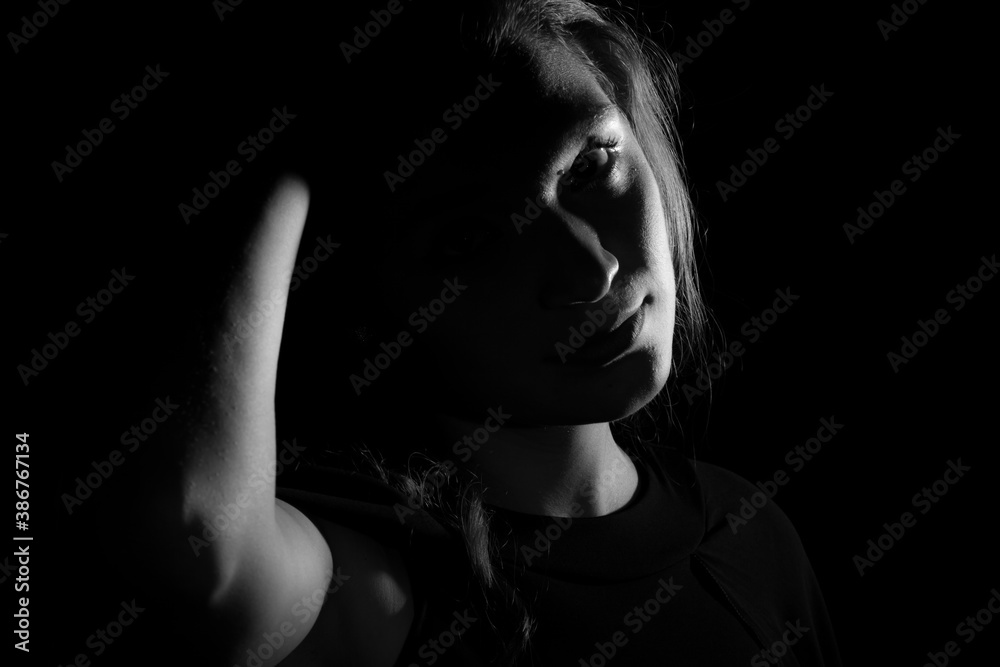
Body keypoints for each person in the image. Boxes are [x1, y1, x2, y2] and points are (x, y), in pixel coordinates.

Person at [121, 1, 842, 664]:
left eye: (591, 166)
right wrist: (283, 144)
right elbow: (201, 551)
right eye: (469, 240)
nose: (591, 271)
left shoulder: (752, 532)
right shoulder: (394, 575)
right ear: (369, 309)